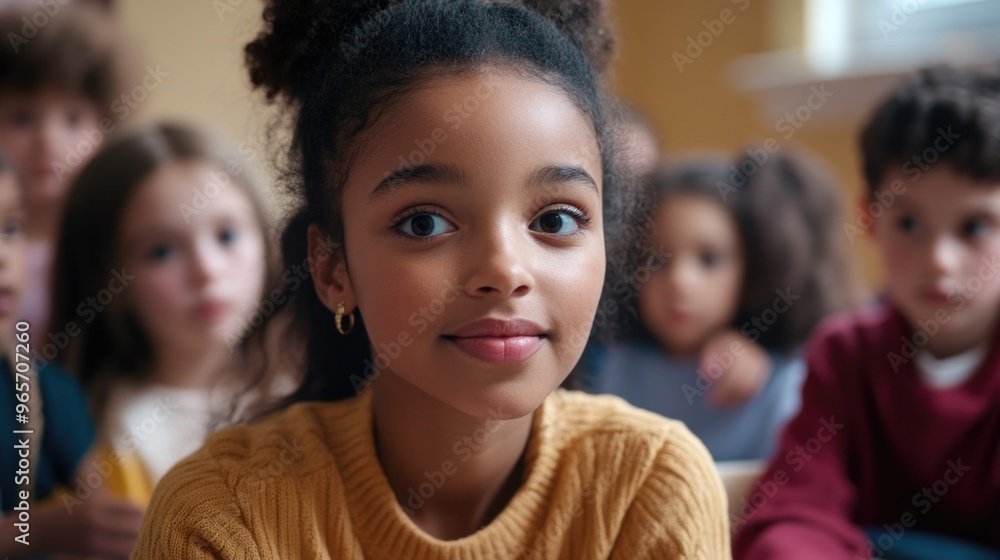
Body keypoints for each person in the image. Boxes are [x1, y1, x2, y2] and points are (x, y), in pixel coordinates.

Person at [133, 0, 730, 558]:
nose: (504, 271)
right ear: (332, 268)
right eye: (424, 223)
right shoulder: (224, 514)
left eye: (556, 219)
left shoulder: (652, 487)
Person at [733, 65, 1000, 559]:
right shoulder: (844, 355)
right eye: (909, 222)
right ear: (869, 219)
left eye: (976, 227)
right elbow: (793, 513)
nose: (939, 259)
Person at [47, 122, 274, 508]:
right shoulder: (105, 441)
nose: (207, 270)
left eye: (227, 236)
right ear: (109, 283)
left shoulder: (321, 389)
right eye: (162, 252)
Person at [586, 149, 861, 461]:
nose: (680, 281)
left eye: (710, 259)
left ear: (754, 269)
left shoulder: (782, 381)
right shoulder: (607, 366)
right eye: (655, 260)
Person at [0, 149, 143, 559]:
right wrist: (37, 532)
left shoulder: (50, 390)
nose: (2, 256)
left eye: (11, 228)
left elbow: (99, 510)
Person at [0, 4, 129, 343]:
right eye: (21, 118)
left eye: (73, 119)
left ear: (107, 129)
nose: (48, 142)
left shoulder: (118, 241)